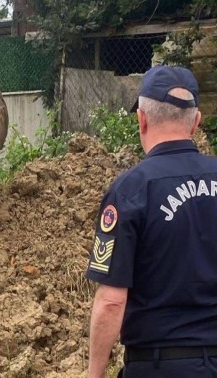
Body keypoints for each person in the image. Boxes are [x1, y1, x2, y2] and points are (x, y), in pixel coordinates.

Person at [87, 65, 217, 378]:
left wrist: (94, 373)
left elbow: (111, 302)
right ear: (196, 122)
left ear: (142, 119)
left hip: (161, 364)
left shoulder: (130, 190)